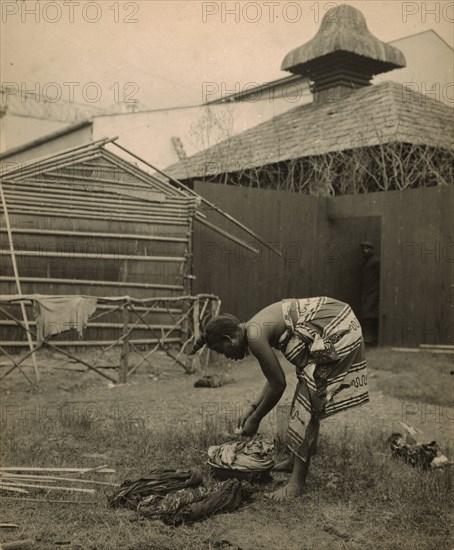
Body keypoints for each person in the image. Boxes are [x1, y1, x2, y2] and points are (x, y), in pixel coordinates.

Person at [189, 297, 369, 501]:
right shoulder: (253, 329)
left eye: (223, 352)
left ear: (229, 339)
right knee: (307, 386)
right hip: (336, 317)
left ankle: (296, 483)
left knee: (309, 395)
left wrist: (256, 419)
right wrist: (253, 408)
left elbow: (278, 384)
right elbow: (272, 377)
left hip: (336, 326)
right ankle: (294, 460)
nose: (227, 357)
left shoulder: (255, 336)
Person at [359, 241, 380, 346]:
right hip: (367, 292)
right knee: (367, 314)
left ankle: (371, 339)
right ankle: (369, 338)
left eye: (367, 248)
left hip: (373, 292)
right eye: (364, 248)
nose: (365, 250)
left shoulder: (375, 261)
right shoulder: (365, 261)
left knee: (370, 315)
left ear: (372, 250)